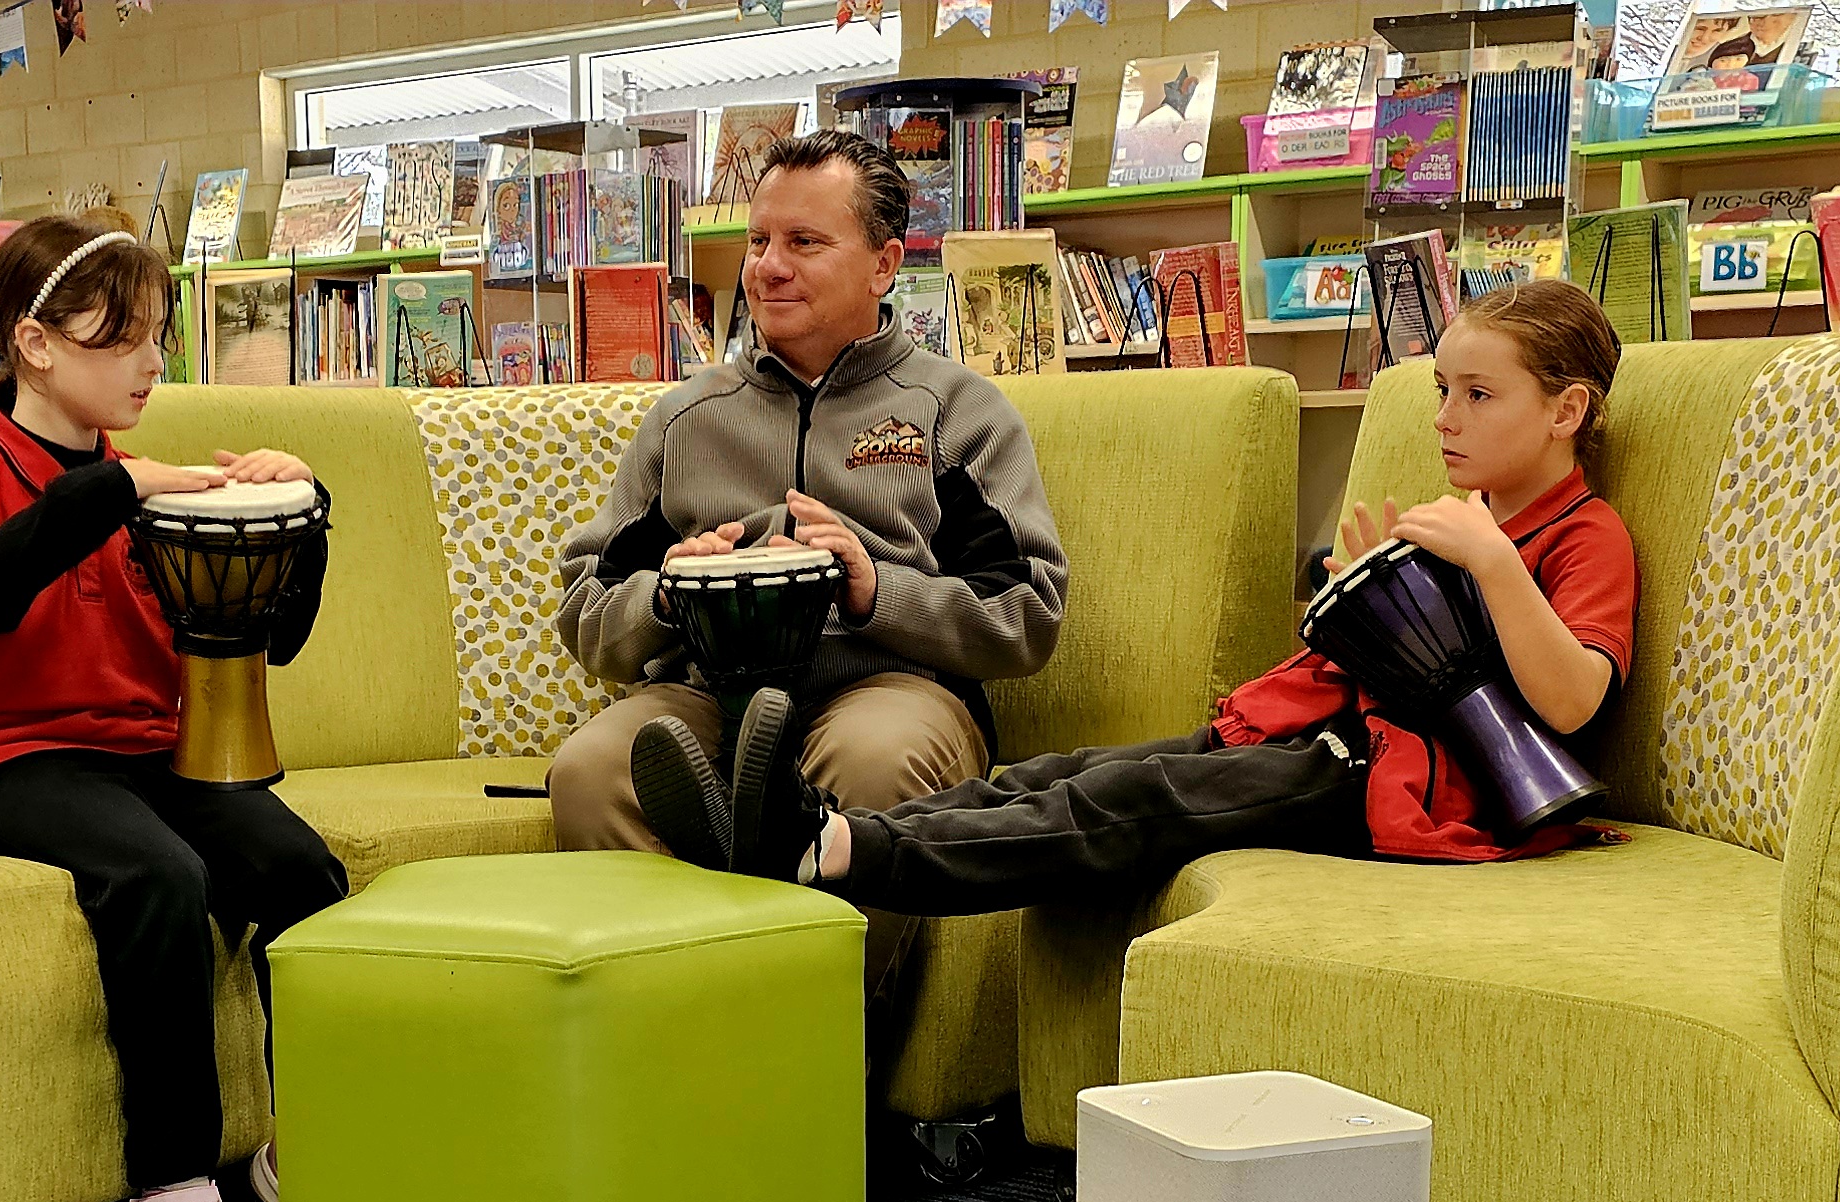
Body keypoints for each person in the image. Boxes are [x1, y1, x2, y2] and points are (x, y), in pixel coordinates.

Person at [640, 280, 1639, 908]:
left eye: (1477, 394)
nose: (1447, 418)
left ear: (1565, 409)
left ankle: (839, 850)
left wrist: (1492, 564)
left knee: (1129, 798)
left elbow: (1570, 701)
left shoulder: (1583, 536)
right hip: (1327, 739)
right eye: (1441, 392)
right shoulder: (1467, 514)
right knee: (1069, 769)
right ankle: (794, 823)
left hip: (1399, 786)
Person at [0, 213, 342, 1202]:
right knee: (155, 877)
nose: (153, 363)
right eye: (124, 338)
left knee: (301, 871)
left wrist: (296, 519)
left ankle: (316, 1142)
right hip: (12, 758)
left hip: (159, 750)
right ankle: (175, 1187)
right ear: (37, 344)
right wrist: (117, 489)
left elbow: (267, 641)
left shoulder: (163, 481)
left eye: (158, 337)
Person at [544, 130, 1070, 1011]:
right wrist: (670, 594)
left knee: (871, 762)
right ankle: (672, 1042)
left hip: (891, 692)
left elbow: (1028, 612)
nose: (768, 269)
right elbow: (587, 612)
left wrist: (877, 590)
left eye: (804, 243)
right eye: (757, 242)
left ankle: (806, 1068)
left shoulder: (956, 413)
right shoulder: (687, 420)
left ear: (885, 264)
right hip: (710, 692)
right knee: (595, 768)